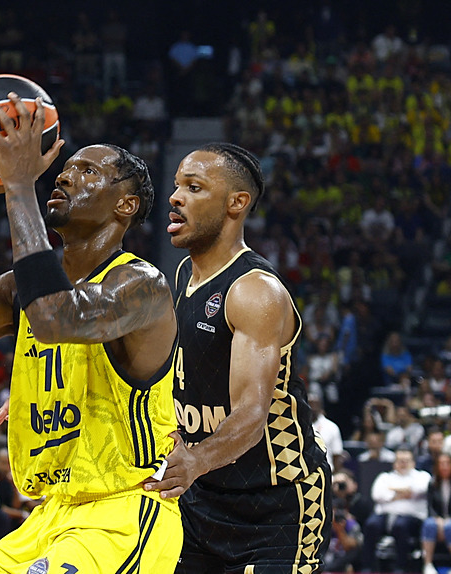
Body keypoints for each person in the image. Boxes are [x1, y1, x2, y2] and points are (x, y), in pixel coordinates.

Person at [0, 93, 182, 572]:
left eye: (89, 172)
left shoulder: (141, 285)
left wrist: (18, 186)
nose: (67, 176)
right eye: (65, 168)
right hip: (48, 514)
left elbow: (55, 319)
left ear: (126, 205)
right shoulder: (21, 290)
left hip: (125, 511)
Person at [143, 142, 331, 573]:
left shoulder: (254, 290)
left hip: (276, 502)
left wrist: (193, 460)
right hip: (203, 497)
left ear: (236, 203)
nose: (175, 198)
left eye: (194, 187)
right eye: (177, 186)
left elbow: (251, 414)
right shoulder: (182, 276)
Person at [362, 446, 431, 572]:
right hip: (384, 515)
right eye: (400, 461)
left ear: (413, 462)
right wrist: (406, 492)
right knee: (371, 524)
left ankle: (400, 567)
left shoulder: (422, 476)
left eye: (406, 461)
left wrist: (393, 490)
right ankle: (368, 567)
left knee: (400, 526)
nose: (403, 464)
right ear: (394, 463)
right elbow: (377, 494)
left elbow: (420, 489)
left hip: (412, 517)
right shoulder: (384, 477)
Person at [421, 453, 451, 574]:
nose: (444, 467)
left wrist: (449, 519)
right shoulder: (433, 483)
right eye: (441, 464)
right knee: (429, 524)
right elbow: (430, 506)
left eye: (447, 463)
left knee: (450, 527)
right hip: (437, 519)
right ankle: (428, 564)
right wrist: (437, 519)